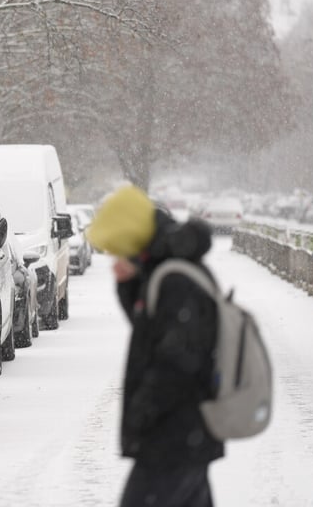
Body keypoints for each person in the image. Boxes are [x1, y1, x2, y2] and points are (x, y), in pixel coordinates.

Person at [86, 185, 223, 507]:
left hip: (174, 436)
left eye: (118, 247)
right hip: (183, 435)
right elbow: (149, 329)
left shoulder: (175, 277)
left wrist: (142, 412)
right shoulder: (164, 267)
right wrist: (128, 282)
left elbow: (178, 359)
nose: (116, 256)